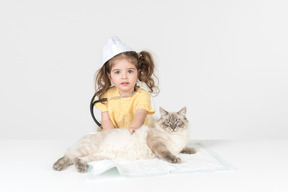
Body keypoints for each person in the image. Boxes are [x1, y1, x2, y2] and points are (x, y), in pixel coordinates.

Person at [94, 36, 159, 134]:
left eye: (129, 71)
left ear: (138, 73)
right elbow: (106, 121)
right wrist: (115, 136)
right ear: (109, 77)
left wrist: (133, 128)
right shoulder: (106, 97)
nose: (124, 77)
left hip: (136, 134)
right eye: (117, 72)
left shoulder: (142, 95)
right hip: (114, 135)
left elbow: (140, 114)